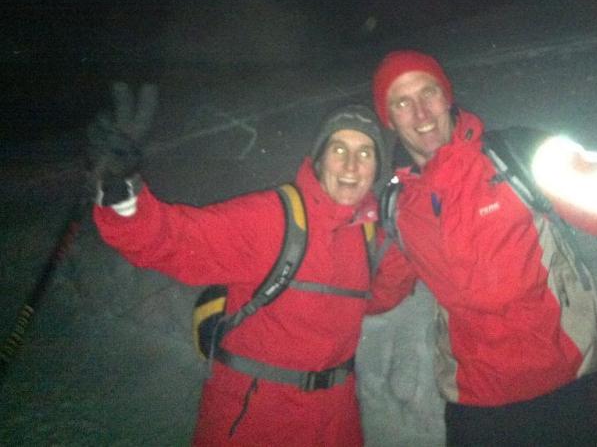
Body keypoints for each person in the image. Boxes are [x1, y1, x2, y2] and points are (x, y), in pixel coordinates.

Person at [369, 49, 597, 446]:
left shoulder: (518, 158)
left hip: (565, 395)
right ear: (389, 119)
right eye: (402, 103)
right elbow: (374, 290)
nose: (421, 113)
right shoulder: (397, 206)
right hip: (474, 408)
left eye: (428, 93)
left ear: (447, 96)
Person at [89, 89, 407, 446]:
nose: (351, 166)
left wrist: (404, 237)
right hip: (256, 417)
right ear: (319, 160)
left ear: (376, 169)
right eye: (339, 150)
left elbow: (376, 298)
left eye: (365, 153)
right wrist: (120, 187)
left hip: (335, 421)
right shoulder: (273, 219)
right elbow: (174, 239)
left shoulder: (367, 232)